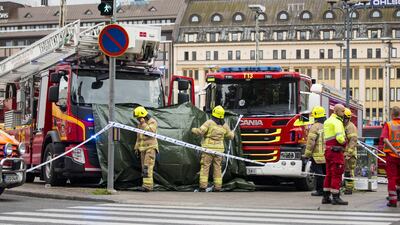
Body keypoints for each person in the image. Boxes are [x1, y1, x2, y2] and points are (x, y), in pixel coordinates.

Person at [192, 105, 234, 192]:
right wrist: (232, 133)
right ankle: (218, 187)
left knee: (205, 167)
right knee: (218, 168)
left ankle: (203, 186)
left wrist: (193, 130)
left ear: (213, 114)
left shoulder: (209, 123)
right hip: (219, 151)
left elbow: (200, 131)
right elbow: (230, 136)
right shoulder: (224, 125)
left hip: (208, 149)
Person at [322, 104, 348, 205]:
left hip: (328, 151)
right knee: (337, 174)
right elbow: (339, 138)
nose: (343, 113)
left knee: (328, 174)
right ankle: (336, 197)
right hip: (336, 151)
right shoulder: (337, 122)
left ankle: (326, 197)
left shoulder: (327, 121)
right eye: (342, 111)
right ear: (336, 111)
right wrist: (345, 142)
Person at [133, 106, 158, 192]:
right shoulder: (139, 124)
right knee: (144, 168)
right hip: (142, 149)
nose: (138, 119)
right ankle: (145, 185)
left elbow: (151, 132)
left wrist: (143, 124)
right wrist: (136, 147)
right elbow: (139, 137)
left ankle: (148, 186)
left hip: (150, 148)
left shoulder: (152, 122)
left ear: (143, 116)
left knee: (148, 167)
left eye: (139, 118)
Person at [303, 106, 326, 196]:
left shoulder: (314, 127)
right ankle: (326, 190)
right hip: (327, 155)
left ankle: (319, 190)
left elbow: (310, 143)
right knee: (325, 174)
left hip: (317, 156)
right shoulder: (327, 126)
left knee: (319, 174)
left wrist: (307, 155)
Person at [380, 106, 400, 207]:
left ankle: (393, 201)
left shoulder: (389, 124)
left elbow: (385, 139)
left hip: (392, 155)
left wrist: (394, 150)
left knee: (392, 178)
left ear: (392, 114)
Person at [343, 108, 358, 195]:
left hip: (350, 154)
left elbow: (353, 140)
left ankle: (349, 188)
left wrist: (349, 152)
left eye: (345, 118)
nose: (343, 120)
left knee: (349, 171)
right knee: (346, 171)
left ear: (348, 118)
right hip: (345, 152)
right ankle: (346, 186)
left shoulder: (350, 127)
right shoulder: (344, 125)